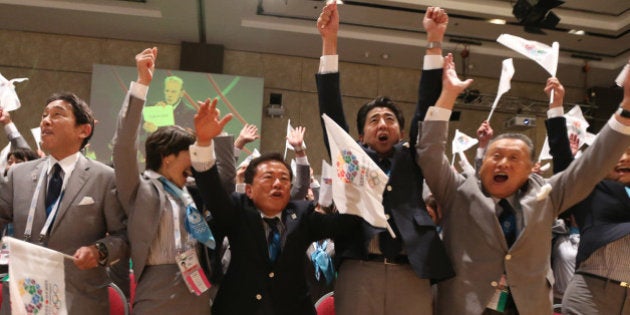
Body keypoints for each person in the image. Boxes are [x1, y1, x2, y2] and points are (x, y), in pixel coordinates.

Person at [416, 53, 630, 314]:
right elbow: (429, 153)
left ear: (530, 170)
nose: (503, 163)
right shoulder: (457, 191)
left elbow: (592, 165)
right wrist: (447, 95)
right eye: (495, 156)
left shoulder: (548, 195)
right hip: (464, 305)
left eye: (514, 158)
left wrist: (626, 108)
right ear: (482, 163)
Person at [315, 4, 453, 314]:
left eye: (389, 119)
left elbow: (426, 107)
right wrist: (330, 42)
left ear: (401, 132)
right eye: (374, 120)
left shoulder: (411, 157)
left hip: (412, 271)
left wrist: (434, 41)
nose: (382, 124)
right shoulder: (352, 160)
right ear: (361, 135)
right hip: (359, 269)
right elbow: (330, 111)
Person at [189, 99, 361, 315]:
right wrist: (204, 142)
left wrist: (356, 175)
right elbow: (212, 191)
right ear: (249, 189)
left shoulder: (302, 214)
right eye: (268, 177)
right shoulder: (237, 209)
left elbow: (346, 223)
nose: (278, 183)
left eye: (283, 178)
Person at [112, 47, 235, 314]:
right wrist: (142, 86)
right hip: (157, 289)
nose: (194, 162)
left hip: (198, 289)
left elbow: (224, 183)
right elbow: (123, 146)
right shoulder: (139, 188)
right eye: (189, 154)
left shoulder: (190, 192)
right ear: (167, 157)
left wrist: (215, 138)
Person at [0, 92, 129, 314]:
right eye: (44, 115)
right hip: (24, 298)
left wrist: (100, 251)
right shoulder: (18, 175)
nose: (46, 121)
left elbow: (124, 236)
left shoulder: (105, 178)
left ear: (84, 130)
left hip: (78, 300)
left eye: (57, 115)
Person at [543, 69, 630, 315]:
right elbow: (563, 160)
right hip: (593, 293)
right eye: (616, 155)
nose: (623, 159)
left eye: (629, 154)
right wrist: (556, 107)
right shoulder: (592, 189)